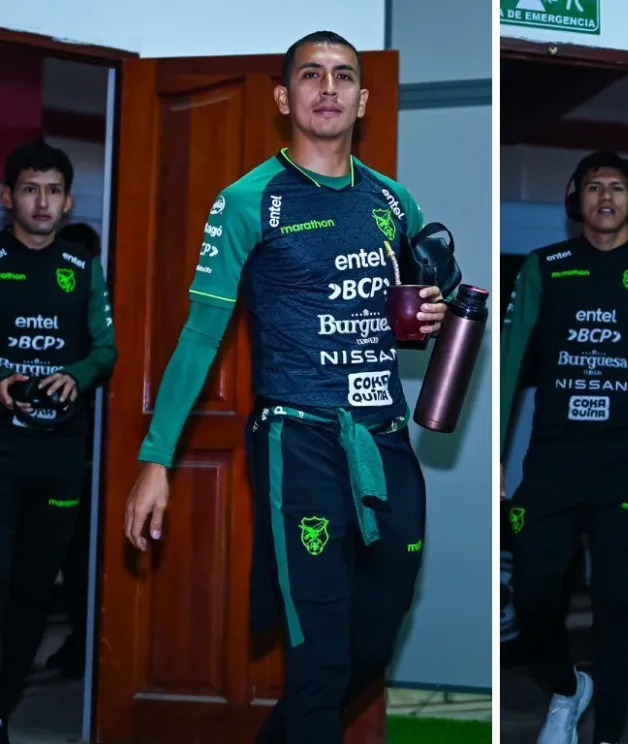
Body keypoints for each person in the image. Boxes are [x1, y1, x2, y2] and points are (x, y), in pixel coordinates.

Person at [122, 31, 453, 744]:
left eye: (343, 76)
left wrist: (428, 311)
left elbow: (427, 301)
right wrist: (157, 458)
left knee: (374, 636)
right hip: (297, 445)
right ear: (284, 97)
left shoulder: (395, 203)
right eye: (311, 74)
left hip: (386, 443)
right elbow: (200, 336)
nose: (328, 87)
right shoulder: (247, 201)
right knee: (320, 662)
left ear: (363, 100)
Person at [500, 150, 628, 744]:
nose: (606, 197)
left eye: (617, 187)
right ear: (575, 199)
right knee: (534, 600)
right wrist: (493, 459)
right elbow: (511, 364)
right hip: (553, 466)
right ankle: (567, 689)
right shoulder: (544, 266)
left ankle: (607, 734)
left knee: (616, 607)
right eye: (594, 188)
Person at [0, 141, 117, 742]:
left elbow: (106, 348)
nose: (41, 201)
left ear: (68, 201)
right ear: (8, 197)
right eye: (29, 188)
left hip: (63, 456)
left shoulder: (81, 267)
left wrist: (76, 374)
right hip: (3, 452)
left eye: (52, 190)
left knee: (32, 593)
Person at [39, 222, 103, 680]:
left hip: (81, 458)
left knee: (74, 560)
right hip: (59, 455)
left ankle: (82, 644)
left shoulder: (94, 318)